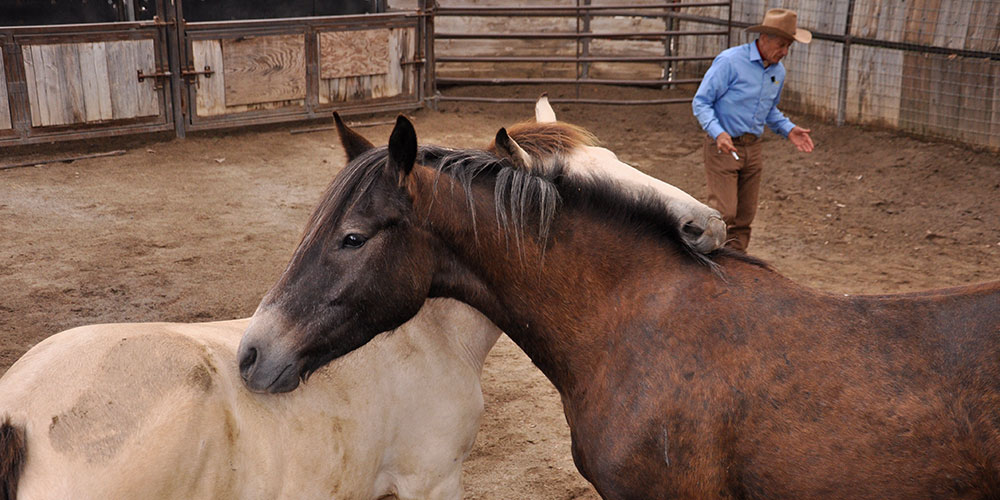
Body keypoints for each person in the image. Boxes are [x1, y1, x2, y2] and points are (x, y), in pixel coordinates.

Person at [692, 8, 815, 252]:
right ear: (764, 38)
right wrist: (719, 133)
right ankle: (708, 260)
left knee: (745, 217)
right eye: (782, 45)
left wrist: (788, 129)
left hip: (753, 147)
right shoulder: (730, 62)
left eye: (789, 46)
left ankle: (736, 266)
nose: (785, 52)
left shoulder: (777, 72)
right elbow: (701, 102)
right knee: (725, 212)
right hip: (723, 147)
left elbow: (769, 110)